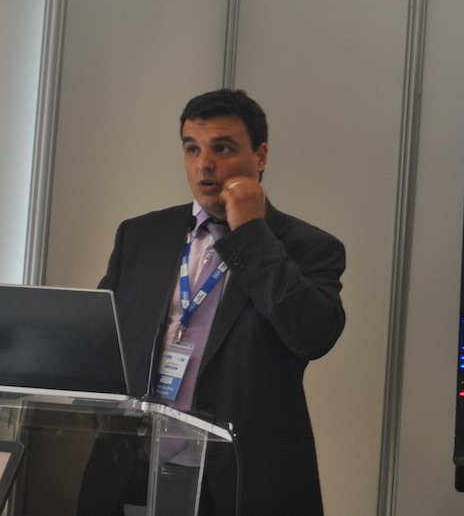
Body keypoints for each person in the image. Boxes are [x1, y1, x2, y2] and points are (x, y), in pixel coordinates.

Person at [86, 88, 346, 516]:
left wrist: (251, 234)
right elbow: (100, 342)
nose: (204, 164)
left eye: (222, 148)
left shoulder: (308, 247)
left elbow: (313, 335)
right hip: (133, 468)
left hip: (242, 479)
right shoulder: (141, 236)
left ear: (260, 156)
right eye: (192, 148)